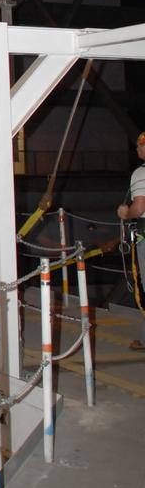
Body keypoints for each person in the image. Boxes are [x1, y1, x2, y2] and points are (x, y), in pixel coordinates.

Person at [116, 130, 145, 352]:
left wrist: (126, 213)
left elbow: (139, 207)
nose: (137, 149)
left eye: (139, 145)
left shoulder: (140, 173)